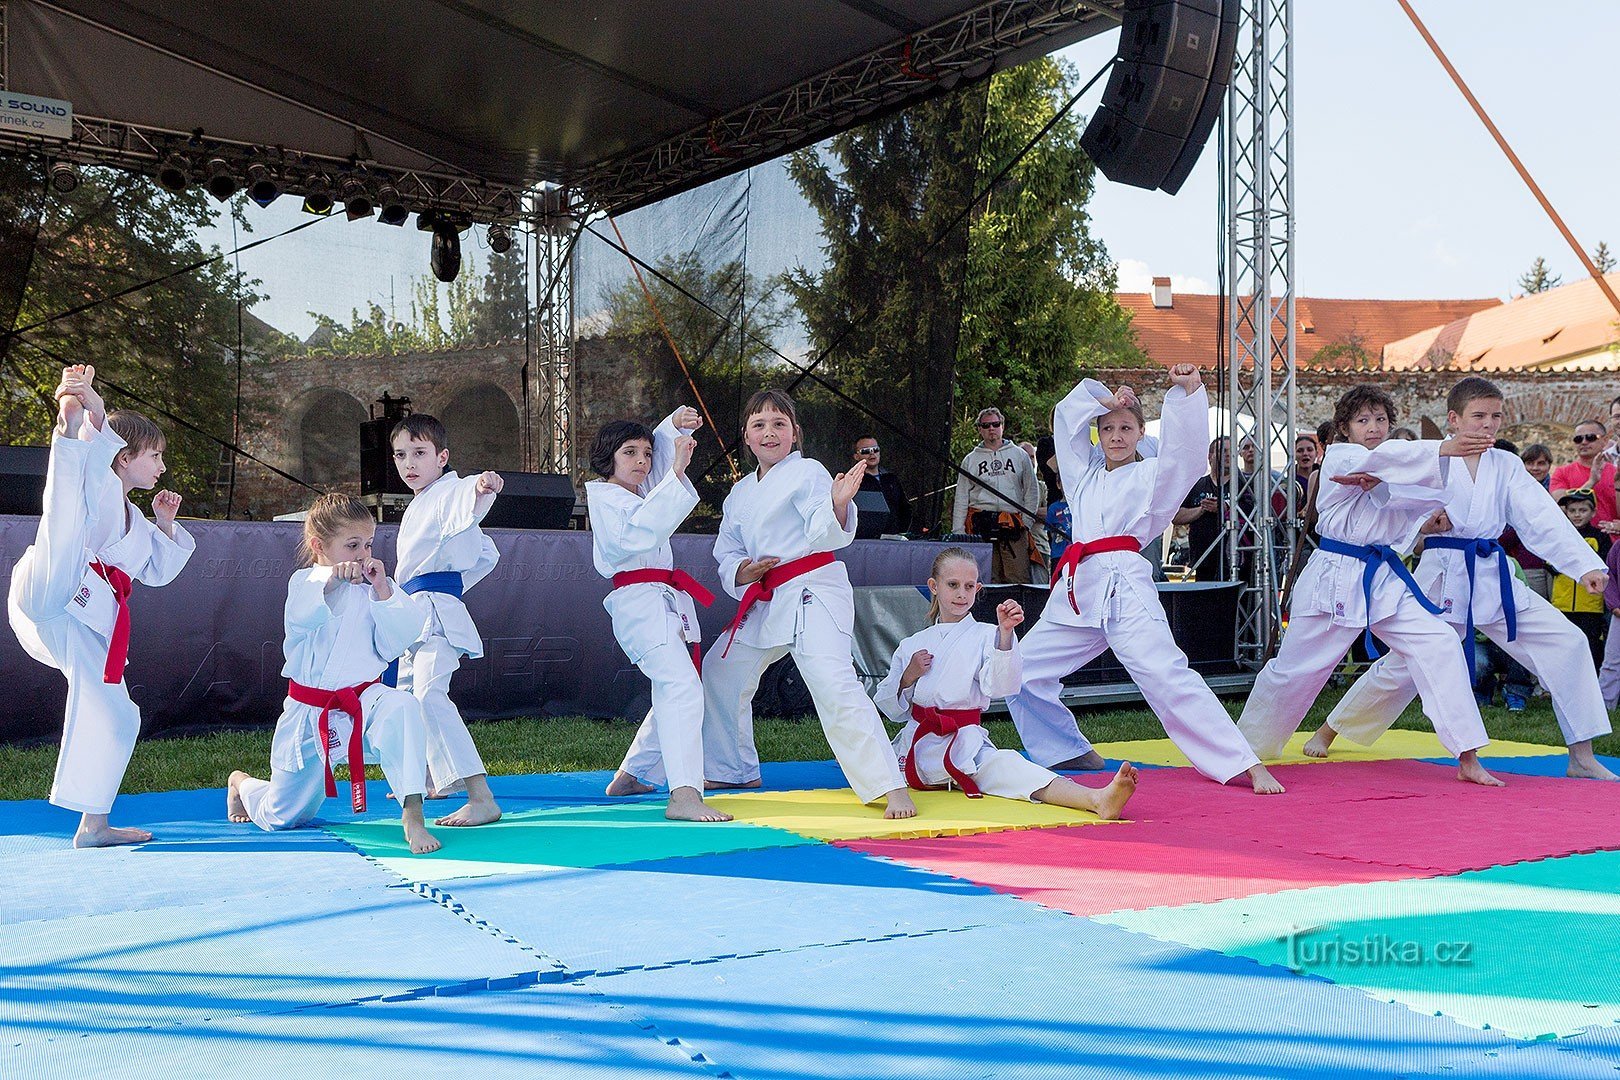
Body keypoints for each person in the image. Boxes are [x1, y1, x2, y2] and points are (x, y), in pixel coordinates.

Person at [1310, 377, 1617, 782]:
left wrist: (1584, 565)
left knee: (1568, 641)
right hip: (1444, 573)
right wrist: (1423, 526)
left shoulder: (1505, 464)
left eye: (1496, 416)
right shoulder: (1425, 459)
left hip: (1492, 573)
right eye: (1478, 416)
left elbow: (1539, 516)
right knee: (1403, 665)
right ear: (1454, 419)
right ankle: (1330, 728)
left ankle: (1581, 754)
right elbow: (1389, 506)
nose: (1488, 425)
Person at [1004, 364, 1283, 794]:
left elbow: (1186, 458)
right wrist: (1105, 400)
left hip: (1126, 590)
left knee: (1168, 677)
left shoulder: (1153, 475)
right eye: (1109, 428)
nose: (1117, 435)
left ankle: (1242, 762)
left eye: (1126, 428)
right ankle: (1066, 750)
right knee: (1020, 670)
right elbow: (1065, 417)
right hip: (1078, 594)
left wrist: (1186, 392)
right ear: (1099, 435)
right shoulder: (1082, 476)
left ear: (1139, 434)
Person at [1236, 384, 1504, 785]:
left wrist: (1404, 504)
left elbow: (1409, 502)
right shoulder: (1342, 457)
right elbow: (1383, 464)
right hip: (1334, 575)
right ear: (1344, 427)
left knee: (1440, 641)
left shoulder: (1387, 467)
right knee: (1297, 670)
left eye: (1381, 420)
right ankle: (1243, 752)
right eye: (1363, 420)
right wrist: (1443, 448)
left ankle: (1467, 754)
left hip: (1383, 578)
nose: (1374, 427)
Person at [695, 389, 917, 818]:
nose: (769, 432)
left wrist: (836, 504)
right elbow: (727, 550)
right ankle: (732, 769)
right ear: (746, 435)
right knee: (721, 669)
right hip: (768, 594)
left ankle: (890, 786)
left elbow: (821, 526)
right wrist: (743, 570)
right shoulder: (739, 493)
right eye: (759, 424)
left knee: (833, 685)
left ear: (794, 433)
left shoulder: (809, 472)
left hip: (813, 588)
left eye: (779, 424)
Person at [8, 365, 195, 848]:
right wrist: (91, 411)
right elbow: (92, 468)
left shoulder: (130, 514)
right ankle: (67, 429)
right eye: (154, 455)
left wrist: (166, 524)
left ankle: (94, 824)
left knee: (118, 714)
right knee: (64, 517)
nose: (160, 467)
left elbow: (157, 572)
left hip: (78, 617)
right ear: (124, 454)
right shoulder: (103, 482)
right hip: (58, 583)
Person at [227, 494, 440, 854]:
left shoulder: (375, 590)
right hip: (311, 715)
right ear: (319, 546)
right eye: (352, 545)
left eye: (368, 544)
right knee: (283, 817)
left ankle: (413, 816)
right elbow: (301, 615)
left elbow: (396, 641)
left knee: (402, 706)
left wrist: (384, 591)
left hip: (364, 704)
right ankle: (241, 784)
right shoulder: (305, 583)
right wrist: (332, 582)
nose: (362, 554)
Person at [874, 547, 1138, 814]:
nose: (961, 594)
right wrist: (908, 676)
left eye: (969, 586)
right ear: (934, 586)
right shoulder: (912, 644)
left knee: (1014, 768)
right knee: (869, 761)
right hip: (916, 748)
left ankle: (1096, 799)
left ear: (978, 589)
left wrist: (1005, 634)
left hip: (966, 746)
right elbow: (890, 709)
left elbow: (1001, 688)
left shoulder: (988, 635)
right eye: (952, 585)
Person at [595, 407, 732, 822]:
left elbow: (657, 467)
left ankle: (631, 774)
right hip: (638, 602)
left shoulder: (639, 492)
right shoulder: (606, 499)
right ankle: (684, 794)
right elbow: (641, 531)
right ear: (608, 459)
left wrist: (673, 425)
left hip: (663, 599)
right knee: (681, 686)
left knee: (678, 685)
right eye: (629, 453)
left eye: (646, 454)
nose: (641, 460)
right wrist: (676, 467)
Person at [389, 414, 504, 827]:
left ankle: (480, 795)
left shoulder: (447, 491)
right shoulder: (422, 503)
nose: (409, 464)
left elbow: (463, 498)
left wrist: (479, 487)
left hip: (435, 614)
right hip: (414, 614)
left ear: (442, 457)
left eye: (419, 453)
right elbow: (486, 554)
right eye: (401, 455)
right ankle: (422, 778)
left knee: (429, 696)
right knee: (403, 701)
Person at [952, 407, 1040, 583]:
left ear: (1002, 426)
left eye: (995, 424)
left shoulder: (1019, 455)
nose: (991, 428)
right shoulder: (971, 459)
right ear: (979, 429)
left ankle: (1018, 611)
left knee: (1017, 578)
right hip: (981, 524)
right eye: (986, 425)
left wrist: (1026, 523)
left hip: (1013, 525)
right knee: (986, 578)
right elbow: (961, 497)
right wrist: (958, 531)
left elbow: (1032, 490)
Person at [1549, 489, 1609, 668]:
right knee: (1563, 644)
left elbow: (1604, 565)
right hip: (1562, 603)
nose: (1576, 515)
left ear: (1593, 513)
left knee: (1591, 645)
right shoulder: (1561, 535)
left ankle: (1593, 681)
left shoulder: (1600, 537)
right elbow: (1550, 562)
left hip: (1591, 605)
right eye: (1572, 510)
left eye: (1582, 510)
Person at [1173, 436, 1239, 581]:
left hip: (1235, 561)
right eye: (1223, 451)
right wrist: (1201, 509)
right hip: (1202, 561)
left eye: (1231, 451)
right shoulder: (1196, 484)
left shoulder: (1243, 485)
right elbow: (1176, 517)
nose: (1228, 455)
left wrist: (1225, 508)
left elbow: (1251, 514)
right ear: (1210, 456)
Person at [1550, 419, 1618, 529]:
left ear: (1605, 440)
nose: (1584, 442)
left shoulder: (1616, 473)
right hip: (1576, 541)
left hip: (1612, 541)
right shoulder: (1561, 473)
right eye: (1578, 439)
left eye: (1590, 437)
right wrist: (1591, 482)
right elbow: (1561, 508)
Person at [852, 436, 913, 534]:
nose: (872, 453)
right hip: (863, 541)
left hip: (893, 539)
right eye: (865, 451)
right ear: (856, 456)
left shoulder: (891, 479)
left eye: (875, 449)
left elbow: (904, 508)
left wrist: (901, 531)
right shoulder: (853, 480)